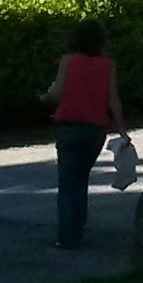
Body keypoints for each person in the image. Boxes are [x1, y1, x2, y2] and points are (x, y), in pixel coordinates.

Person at [40, 19, 122, 249]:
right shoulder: (107, 65)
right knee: (81, 179)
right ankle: (78, 229)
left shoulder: (68, 61)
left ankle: (67, 235)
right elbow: (113, 99)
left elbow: (56, 94)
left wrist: (42, 98)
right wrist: (122, 131)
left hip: (69, 127)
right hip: (95, 131)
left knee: (68, 182)